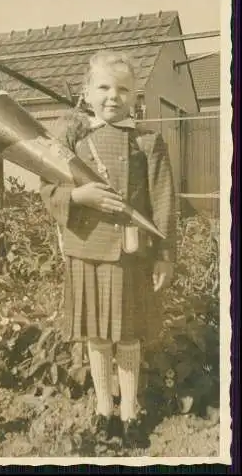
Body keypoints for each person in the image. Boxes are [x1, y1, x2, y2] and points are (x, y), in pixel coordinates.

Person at [39, 49, 177, 448]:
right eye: (103, 87)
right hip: (86, 252)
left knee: (128, 335)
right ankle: (104, 409)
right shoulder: (73, 138)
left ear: (136, 97)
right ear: (86, 91)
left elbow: (164, 201)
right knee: (97, 337)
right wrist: (79, 195)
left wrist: (165, 256)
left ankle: (130, 410)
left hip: (131, 257)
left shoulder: (148, 142)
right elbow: (48, 186)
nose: (113, 96)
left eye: (123, 89)